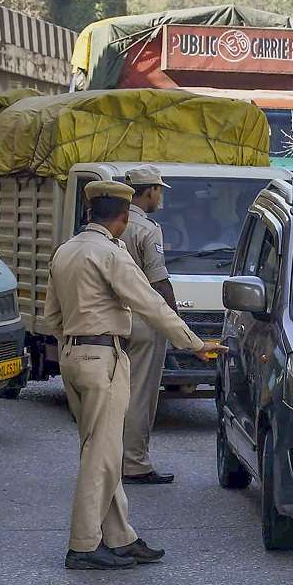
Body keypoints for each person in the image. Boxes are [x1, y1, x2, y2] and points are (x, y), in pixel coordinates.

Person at [41, 180, 224, 571]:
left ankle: (120, 537)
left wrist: (75, 343)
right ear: (123, 219)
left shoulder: (65, 252)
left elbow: (51, 318)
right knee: (102, 455)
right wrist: (194, 343)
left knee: (101, 450)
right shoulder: (110, 253)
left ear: (90, 213)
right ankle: (84, 544)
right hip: (103, 357)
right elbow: (150, 304)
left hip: (73, 356)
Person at [121, 166, 178, 486]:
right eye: (160, 190)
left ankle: (111, 459)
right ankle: (135, 463)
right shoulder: (147, 229)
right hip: (143, 320)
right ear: (150, 191)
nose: (161, 196)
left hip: (112, 319)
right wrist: (174, 321)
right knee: (140, 395)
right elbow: (159, 280)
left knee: (115, 395)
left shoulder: (111, 224)